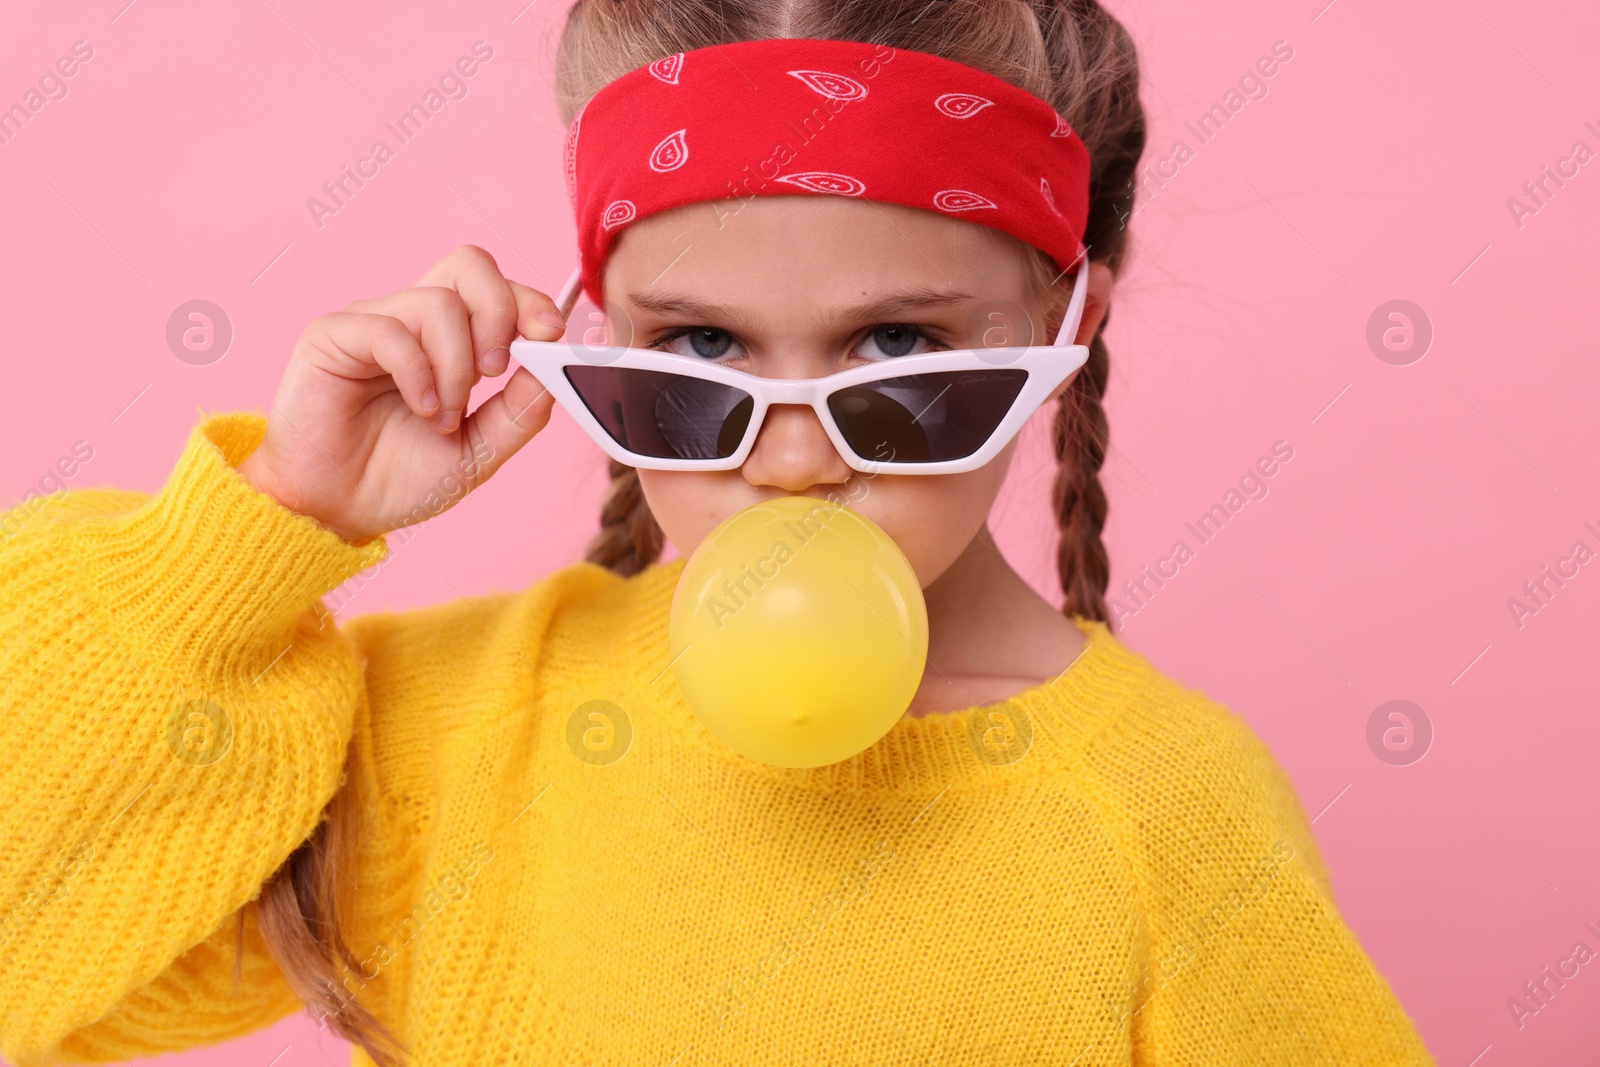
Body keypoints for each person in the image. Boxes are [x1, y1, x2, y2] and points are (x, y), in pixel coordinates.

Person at [0, 2, 1437, 1065]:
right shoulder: (457, 732)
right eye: (697, 353)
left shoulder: (1170, 811)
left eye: (901, 352)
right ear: (596, 336)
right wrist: (250, 545)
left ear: (1072, 330)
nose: (795, 458)